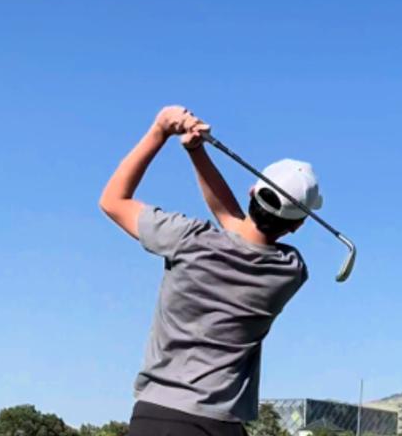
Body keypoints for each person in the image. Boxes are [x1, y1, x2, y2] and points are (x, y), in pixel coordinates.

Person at [99, 105, 322, 436]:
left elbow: (113, 200)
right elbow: (234, 223)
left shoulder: (187, 239)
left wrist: (159, 130)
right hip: (223, 426)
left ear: (252, 191)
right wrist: (195, 151)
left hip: (157, 418)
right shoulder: (290, 271)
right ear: (298, 226)